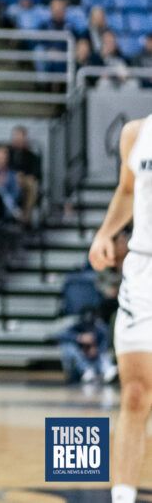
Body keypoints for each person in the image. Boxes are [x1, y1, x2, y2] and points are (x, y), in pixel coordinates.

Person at [89, 116, 152, 503]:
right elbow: (127, 191)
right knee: (134, 394)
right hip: (144, 273)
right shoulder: (136, 133)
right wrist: (104, 234)